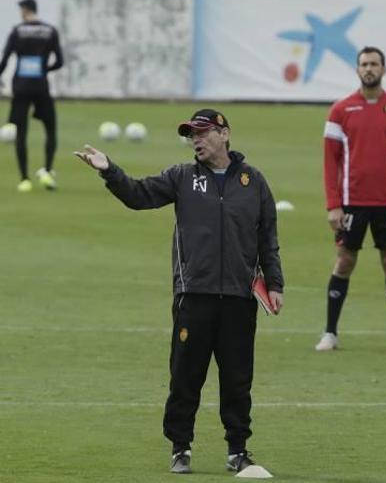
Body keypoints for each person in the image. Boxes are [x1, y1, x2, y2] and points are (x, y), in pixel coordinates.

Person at [74, 109, 284, 474]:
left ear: (224, 134)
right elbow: (138, 195)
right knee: (186, 375)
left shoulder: (254, 182)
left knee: (237, 379)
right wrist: (109, 169)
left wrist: (275, 284)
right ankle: (180, 448)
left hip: (238, 298)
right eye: (192, 135)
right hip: (194, 295)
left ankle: (238, 450)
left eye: (202, 133)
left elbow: (268, 237)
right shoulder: (182, 177)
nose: (196, 140)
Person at [316, 46, 386, 353]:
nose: (369, 69)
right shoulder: (341, 110)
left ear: (384, 69)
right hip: (351, 202)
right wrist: (333, 204)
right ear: (357, 69)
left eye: (374, 64)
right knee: (345, 261)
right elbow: (330, 162)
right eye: (364, 64)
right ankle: (330, 333)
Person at [0, 0, 63, 192]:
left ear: (25, 10)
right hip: (41, 87)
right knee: (50, 129)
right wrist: (45, 69)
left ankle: (24, 178)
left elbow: (5, 58)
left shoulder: (18, 31)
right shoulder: (50, 31)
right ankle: (48, 170)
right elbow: (60, 61)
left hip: (21, 87)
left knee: (21, 132)